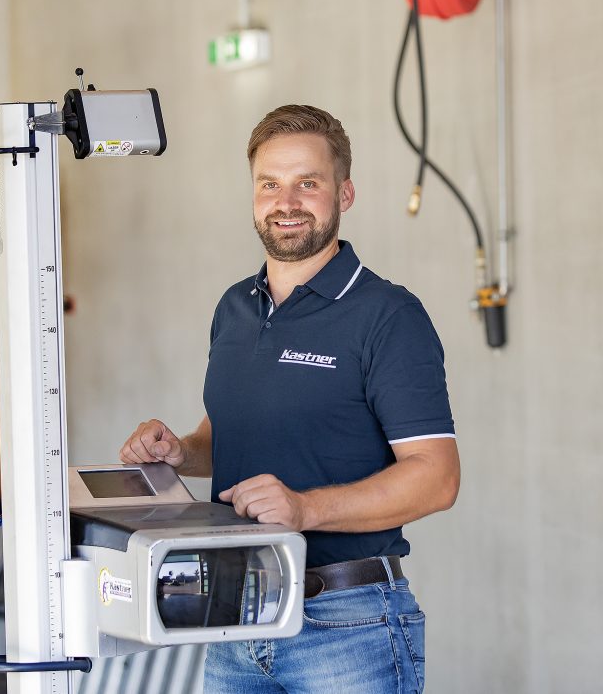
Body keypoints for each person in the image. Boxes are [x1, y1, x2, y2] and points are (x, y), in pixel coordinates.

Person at [118, 104, 460, 693]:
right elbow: (233, 432)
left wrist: (306, 510)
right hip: (235, 615)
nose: (287, 200)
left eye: (309, 182)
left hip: (348, 625)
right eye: (270, 184)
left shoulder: (387, 316)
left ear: (344, 193)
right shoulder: (234, 308)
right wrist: (182, 451)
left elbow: (437, 478)